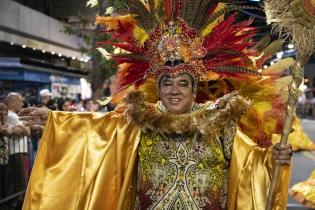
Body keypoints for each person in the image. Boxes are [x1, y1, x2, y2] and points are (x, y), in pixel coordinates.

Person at [20, 1, 293, 210]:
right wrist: (54, 119)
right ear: (158, 89)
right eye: (167, 83)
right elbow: (97, 130)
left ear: (194, 88)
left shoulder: (220, 121)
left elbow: (250, 163)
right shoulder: (142, 119)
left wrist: (274, 160)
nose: (174, 90)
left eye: (183, 83)